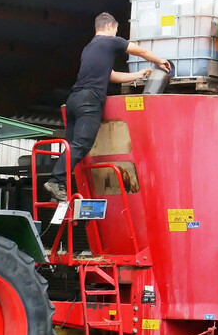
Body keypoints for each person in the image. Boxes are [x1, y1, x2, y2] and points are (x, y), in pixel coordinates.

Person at [44, 12, 171, 201]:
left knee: (71, 147)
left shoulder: (89, 48)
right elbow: (140, 51)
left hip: (74, 100)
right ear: (110, 26)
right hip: (89, 100)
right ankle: (55, 182)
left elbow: (111, 75)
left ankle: (58, 188)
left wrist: (138, 75)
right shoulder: (111, 41)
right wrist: (159, 61)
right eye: (116, 30)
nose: (116, 34)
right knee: (82, 143)